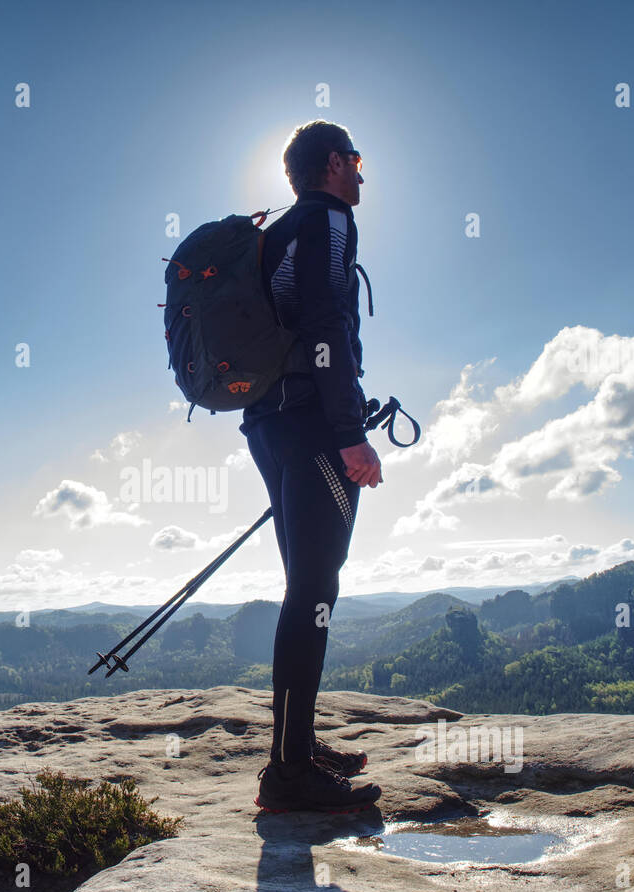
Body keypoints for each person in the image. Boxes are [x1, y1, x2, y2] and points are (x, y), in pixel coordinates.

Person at [243, 120, 383, 813]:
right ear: (333, 164)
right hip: (311, 429)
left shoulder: (273, 236)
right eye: (356, 161)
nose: (361, 174)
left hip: (267, 426)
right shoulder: (328, 223)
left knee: (305, 585)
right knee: (316, 590)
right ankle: (290, 775)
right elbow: (328, 328)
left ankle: (294, 748)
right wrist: (351, 433)